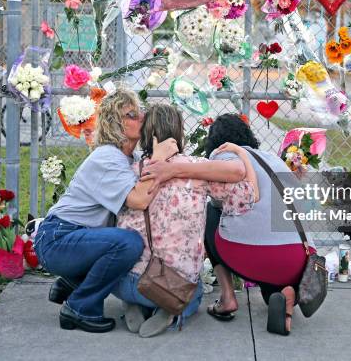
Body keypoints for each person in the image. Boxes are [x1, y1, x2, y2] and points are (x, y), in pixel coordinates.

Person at [33, 90, 245, 333]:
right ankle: (79, 307)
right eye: (132, 115)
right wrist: (161, 160)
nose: (142, 117)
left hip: (81, 238)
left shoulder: (130, 158)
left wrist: (169, 167)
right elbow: (139, 200)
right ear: (116, 124)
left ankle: (76, 282)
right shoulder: (107, 157)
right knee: (129, 243)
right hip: (59, 238)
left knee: (126, 242)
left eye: (140, 112)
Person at [112, 104, 259, 338]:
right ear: (178, 133)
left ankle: (130, 303)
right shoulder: (198, 170)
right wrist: (243, 153)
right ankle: (171, 309)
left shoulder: (129, 170)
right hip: (169, 285)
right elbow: (247, 196)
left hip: (124, 282)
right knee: (196, 292)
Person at [185, 113, 316, 336]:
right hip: (298, 257)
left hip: (252, 255)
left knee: (211, 212)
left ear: (215, 140)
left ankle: (227, 298)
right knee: (270, 290)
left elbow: (220, 201)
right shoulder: (273, 159)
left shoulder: (224, 155)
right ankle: (286, 290)